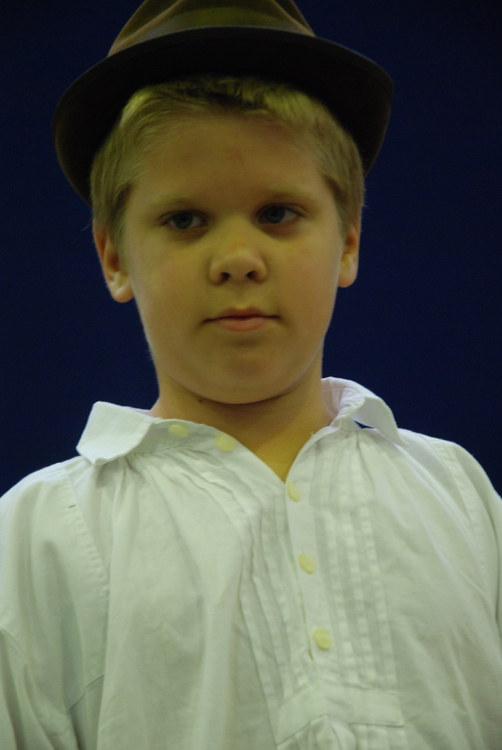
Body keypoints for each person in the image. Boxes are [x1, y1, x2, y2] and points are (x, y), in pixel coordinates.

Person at [1, 0, 501, 748]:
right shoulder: (35, 539)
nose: (237, 259)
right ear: (113, 257)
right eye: (185, 220)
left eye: (277, 214)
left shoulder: (458, 493)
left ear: (348, 242)